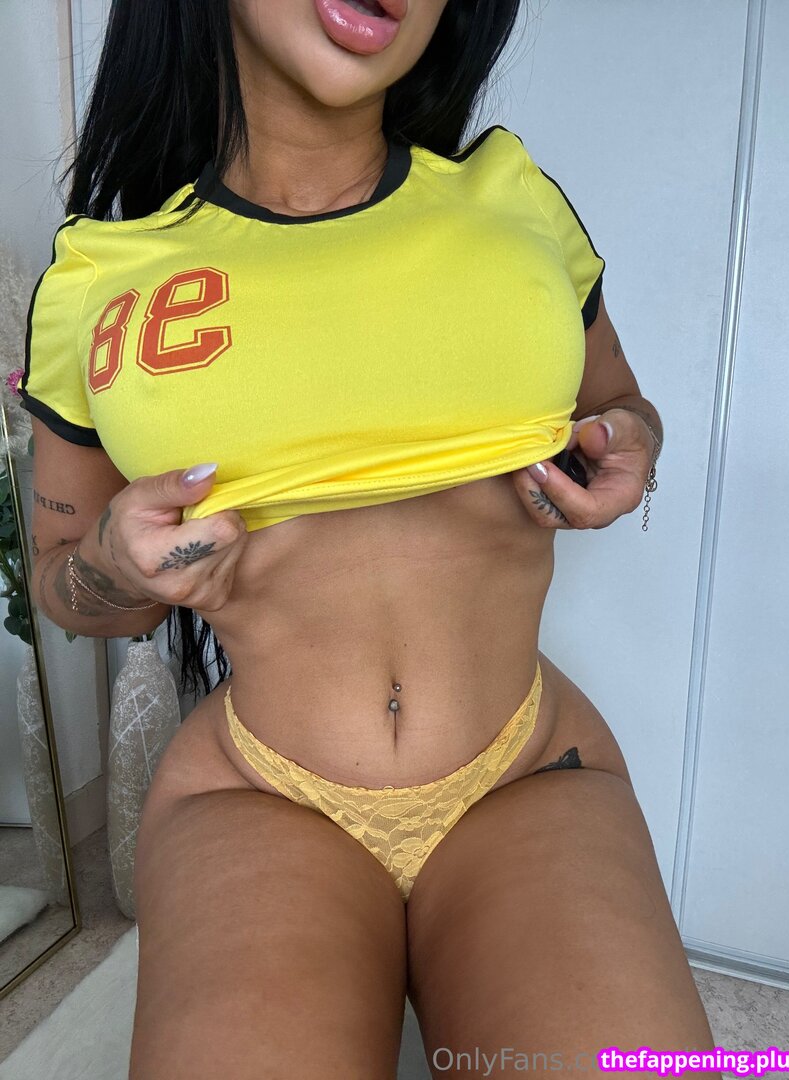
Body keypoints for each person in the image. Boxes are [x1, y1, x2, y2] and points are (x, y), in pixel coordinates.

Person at [20, 0, 719, 1076]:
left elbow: (622, 407)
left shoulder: (513, 200)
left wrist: (631, 446)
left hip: (527, 768)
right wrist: (115, 567)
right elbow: (63, 583)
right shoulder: (98, 280)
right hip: (258, 791)